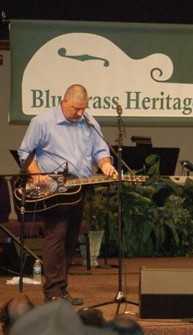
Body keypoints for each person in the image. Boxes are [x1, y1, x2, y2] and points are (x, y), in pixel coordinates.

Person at [18, 84, 117, 305]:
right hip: (53, 189)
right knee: (57, 234)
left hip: (80, 187)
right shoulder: (42, 122)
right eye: (76, 108)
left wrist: (106, 164)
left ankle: (61, 290)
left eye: (83, 108)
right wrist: (35, 175)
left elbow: (100, 151)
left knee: (70, 238)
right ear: (64, 101)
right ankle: (53, 292)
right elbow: (24, 152)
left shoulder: (89, 122)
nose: (80, 113)